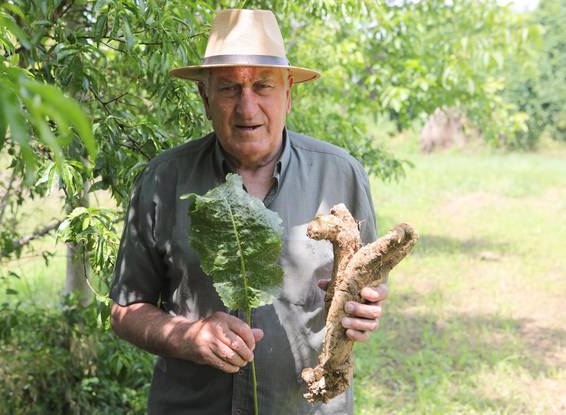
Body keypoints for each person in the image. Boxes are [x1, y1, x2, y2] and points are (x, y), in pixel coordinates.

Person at [110, 9, 388, 415]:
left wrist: (367, 306)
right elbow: (124, 309)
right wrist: (189, 336)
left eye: (262, 86)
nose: (247, 107)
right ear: (205, 99)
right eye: (228, 89)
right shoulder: (163, 179)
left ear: (288, 93)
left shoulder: (339, 174)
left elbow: (372, 281)